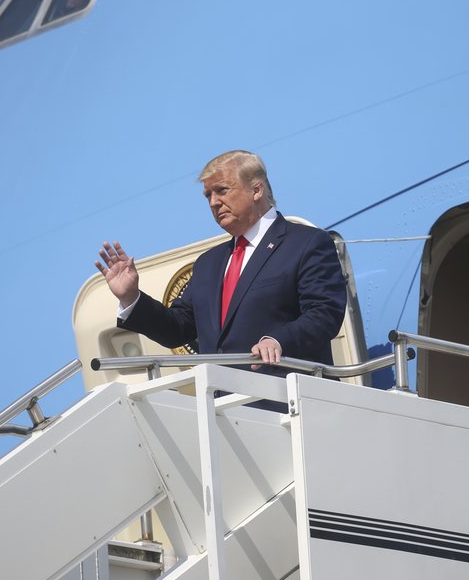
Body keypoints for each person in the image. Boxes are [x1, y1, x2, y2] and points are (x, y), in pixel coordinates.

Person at [94, 150, 347, 412]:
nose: (214, 202)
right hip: (223, 415)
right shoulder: (208, 264)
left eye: (222, 190)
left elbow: (324, 313)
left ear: (257, 190)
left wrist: (278, 340)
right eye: (208, 196)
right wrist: (131, 298)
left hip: (290, 405)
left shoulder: (305, 243)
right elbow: (178, 328)